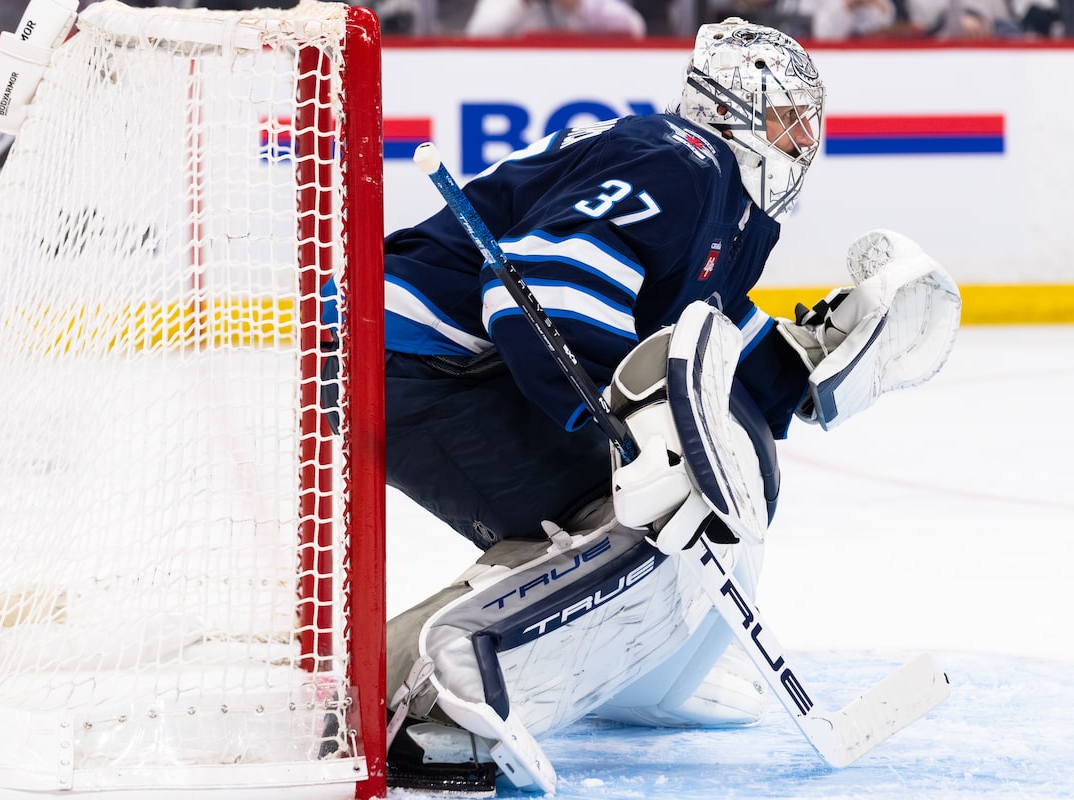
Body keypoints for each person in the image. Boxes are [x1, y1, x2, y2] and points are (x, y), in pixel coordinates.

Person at [338, 17, 959, 795]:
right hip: (408, 356)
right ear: (732, 109)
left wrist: (807, 357)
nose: (802, 141)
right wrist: (613, 418)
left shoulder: (722, 201)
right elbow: (545, 283)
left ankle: (636, 675)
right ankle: (432, 696)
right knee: (631, 509)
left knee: (678, 493)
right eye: (785, 118)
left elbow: (699, 346)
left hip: (426, 359)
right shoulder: (678, 162)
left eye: (807, 121)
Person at [464, 0, 647, 37]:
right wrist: (521, 3)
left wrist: (578, 6)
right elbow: (477, 33)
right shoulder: (506, 4)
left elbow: (634, 26)